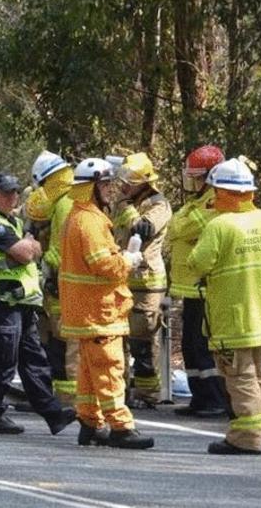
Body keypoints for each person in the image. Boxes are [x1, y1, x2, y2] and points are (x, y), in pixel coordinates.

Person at [186, 157, 261, 455]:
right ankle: (260, 430)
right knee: (258, 374)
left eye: (216, 190)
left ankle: (247, 437)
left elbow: (197, 263)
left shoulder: (220, 226)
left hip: (233, 317)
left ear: (224, 193)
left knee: (240, 375)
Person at [59, 158, 154, 449]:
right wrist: (129, 259)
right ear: (90, 187)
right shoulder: (89, 221)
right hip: (98, 310)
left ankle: (90, 423)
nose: (110, 190)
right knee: (110, 367)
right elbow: (104, 266)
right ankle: (121, 427)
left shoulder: (82, 216)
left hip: (88, 309)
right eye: (104, 184)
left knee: (89, 370)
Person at [0, 173, 78, 435]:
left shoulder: (13, 223)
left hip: (23, 303)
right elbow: (24, 253)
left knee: (34, 359)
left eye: (15, 193)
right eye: (6, 192)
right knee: (3, 360)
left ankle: (53, 414)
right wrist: (29, 246)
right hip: (2, 302)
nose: (13, 197)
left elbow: (34, 249)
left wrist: (30, 246)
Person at [168, 144, 231, 418]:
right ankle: (200, 397)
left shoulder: (216, 200)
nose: (191, 181)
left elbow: (181, 226)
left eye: (196, 175)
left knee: (203, 345)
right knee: (191, 345)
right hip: (191, 287)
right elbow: (177, 226)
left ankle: (215, 397)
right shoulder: (198, 201)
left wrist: (181, 222)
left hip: (206, 285)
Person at [111, 152, 172, 406]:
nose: (124, 185)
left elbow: (142, 229)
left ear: (144, 182)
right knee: (118, 338)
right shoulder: (124, 201)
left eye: (130, 181)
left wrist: (125, 206)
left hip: (146, 282)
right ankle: (121, 390)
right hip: (121, 277)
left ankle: (148, 394)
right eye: (123, 180)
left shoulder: (159, 204)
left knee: (142, 340)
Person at [26, 150, 79, 405]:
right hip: (60, 285)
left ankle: (68, 399)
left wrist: (46, 269)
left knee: (65, 343)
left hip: (64, 285)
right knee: (57, 342)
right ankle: (60, 396)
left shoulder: (66, 204)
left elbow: (61, 250)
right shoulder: (65, 202)